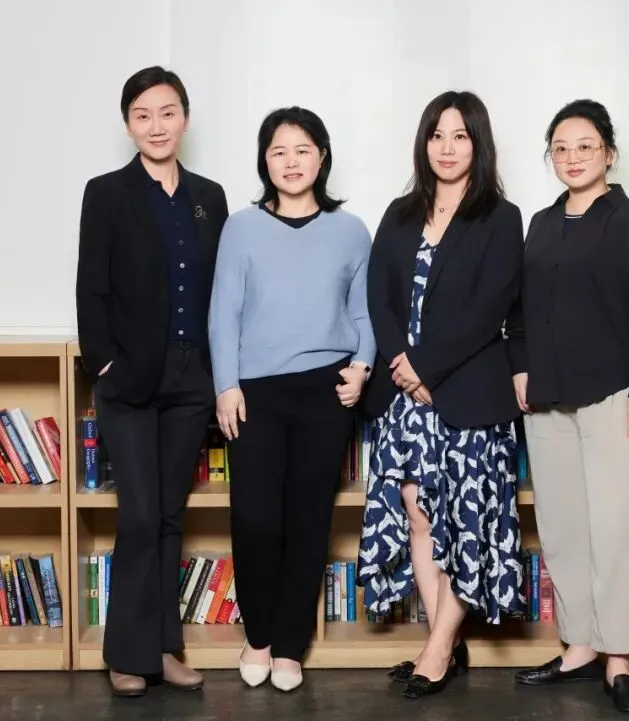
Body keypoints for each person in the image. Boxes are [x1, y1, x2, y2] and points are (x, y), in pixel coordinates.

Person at [506, 99, 629, 714]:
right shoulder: (540, 224)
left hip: (614, 396)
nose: (573, 157)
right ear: (550, 158)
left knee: (611, 529)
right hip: (547, 399)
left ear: (609, 152)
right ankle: (578, 647)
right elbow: (518, 309)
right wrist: (520, 366)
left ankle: (618, 659)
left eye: (585, 146)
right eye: (561, 148)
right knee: (562, 530)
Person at [356, 90, 526, 700]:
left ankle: (436, 650)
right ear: (423, 142)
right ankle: (444, 642)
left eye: (460, 136)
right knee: (417, 510)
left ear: (478, 144)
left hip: (469, 391)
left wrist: (426, 367)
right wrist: (404, 368)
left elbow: (490, 308)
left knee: (467, 518)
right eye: (437, 135)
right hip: (404, 394)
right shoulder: (401, 212)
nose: (447, 147)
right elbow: (378, 295)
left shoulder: (501, 217)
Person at [209, 106, 375, 693]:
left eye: (303, 150)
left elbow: (364, 312)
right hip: (254, 393)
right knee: (256, 519)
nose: (291, 162)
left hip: (325, 391)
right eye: (278, 151)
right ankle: (257, 636)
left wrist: (363, 367)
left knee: (308, 520)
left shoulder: (351, 231)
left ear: (322, 157)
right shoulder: (241, 228)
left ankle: (289, 646)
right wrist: (225, 385)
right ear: (265, 161)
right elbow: (223, 312)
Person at [75, 66, 229, 698]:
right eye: (143, 115)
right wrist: (103, 363)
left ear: (184, 118)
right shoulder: (106, 193)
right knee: (138, 515)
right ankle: (127, 654)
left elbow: (222, 287)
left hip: (192, 376)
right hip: (130, 378)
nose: (156, 126)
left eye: (167, 113)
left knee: (169, 516)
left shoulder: (209, 197)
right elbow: (91, 285)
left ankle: (164, 649)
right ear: (128, 124)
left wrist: (219, 372)